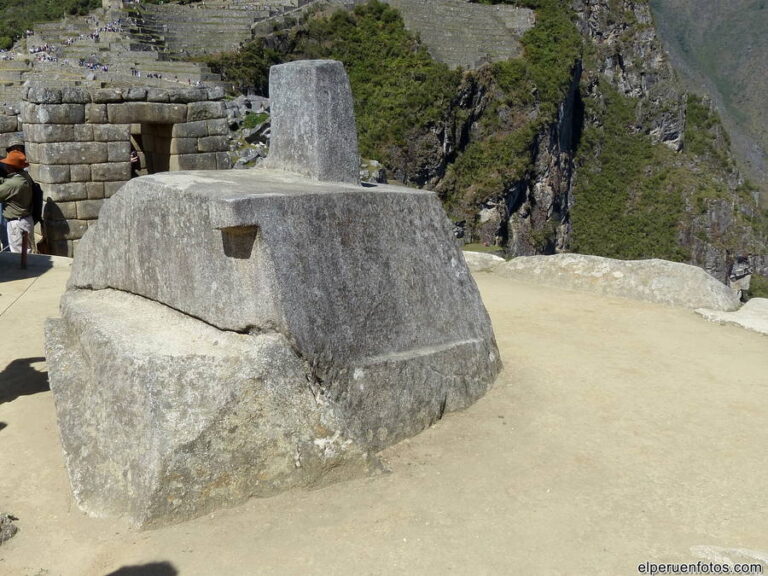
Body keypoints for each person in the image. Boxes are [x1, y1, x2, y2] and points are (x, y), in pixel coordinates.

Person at [0, 149, 34, 253]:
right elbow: (10, 182)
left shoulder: (13, 184)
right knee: (26, 253)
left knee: (19, 255)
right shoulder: (24, 176)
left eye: (7, 164)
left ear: (11, 167)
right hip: (25, 220)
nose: (5, 166)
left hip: (17, 224)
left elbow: (7, 188)